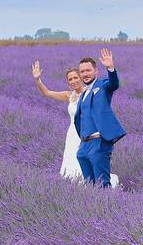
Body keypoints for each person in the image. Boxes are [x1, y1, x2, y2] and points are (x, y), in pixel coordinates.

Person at [31, 59, 119, 188]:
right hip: (74, 134)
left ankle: (102, 191)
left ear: (81, 78)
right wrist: (37, 79)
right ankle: (81, 193)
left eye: (76, 77)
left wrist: (110, 68)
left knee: (97, 172)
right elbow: (47, 92)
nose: (73, 81)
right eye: (70, 79)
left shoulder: (92, 91)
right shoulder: (69, 96)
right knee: (74, 167)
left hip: (91, 134)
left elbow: (112, 85)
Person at [73, 48, 126, 188]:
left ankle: (108, 209)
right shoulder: (83, 94)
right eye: (82, 71)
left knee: (102, 185)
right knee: (89, 186)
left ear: (96, 71)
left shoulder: (102, 86)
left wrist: (111, 68)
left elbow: (113, 84)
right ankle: (94, 209)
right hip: (84, 145)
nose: (85, 74)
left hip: (99, 143)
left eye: (88, 70)